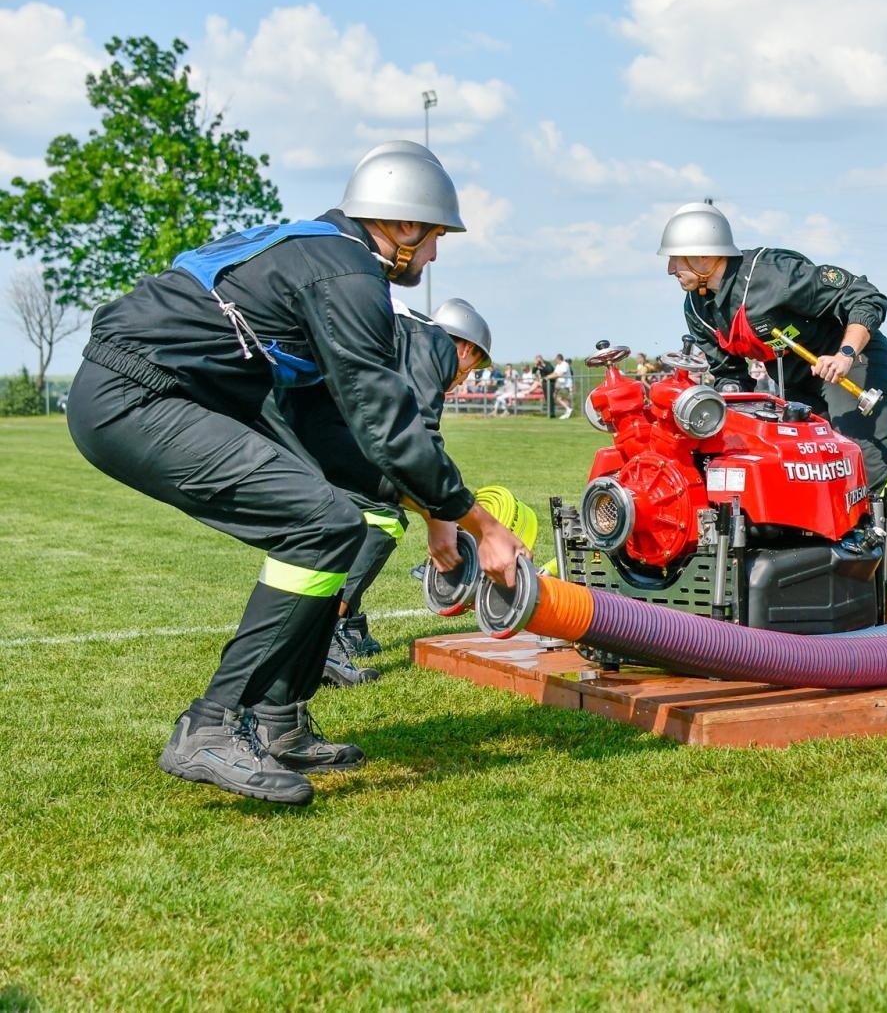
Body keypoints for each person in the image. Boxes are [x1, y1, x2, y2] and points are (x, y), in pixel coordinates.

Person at [66, 141, 527, 806]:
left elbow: (333, 434)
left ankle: (280, 720)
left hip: (144, 392)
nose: (431, 257)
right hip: (134, 397)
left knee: (346, 516)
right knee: (322, 524)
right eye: (431, 238)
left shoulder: (323, 259)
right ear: (400, 226)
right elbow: (389, 426)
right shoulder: (347, 274)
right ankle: (213, 725)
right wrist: (476, 523)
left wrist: (422, 508)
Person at [660, 200, 887, 517]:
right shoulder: (697, 309)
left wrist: (845, 354)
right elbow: (730, 375)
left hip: (850, 364)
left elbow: (864, 296)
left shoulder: (773, 274)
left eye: (675, 258)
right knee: (797, 466)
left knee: (869, 470)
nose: (670, 269)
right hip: (796, 382)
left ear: (703, 255)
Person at [268, 297, 495, 687]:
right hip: (296, 417)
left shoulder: (399, 331)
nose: (467, 376)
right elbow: (420, 441)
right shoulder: (431, 346)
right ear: (465, 348)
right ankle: (322, 637)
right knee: (381, 519)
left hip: (284, 406)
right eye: (473, 366)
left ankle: (341, 622)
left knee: (342, 516)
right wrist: (442, 513)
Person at [551, 354, 574, 418]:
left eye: (556, 359)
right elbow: (555, 373)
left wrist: (549, 377)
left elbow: (561, 374)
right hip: (560, 385)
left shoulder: (565, 364)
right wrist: (549, 376)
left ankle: (568, 410)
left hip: (566, 385)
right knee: (563, 399)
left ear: (558, 359)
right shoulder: (558, 365)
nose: (555, 360)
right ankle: (567, 412)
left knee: (559, 398)